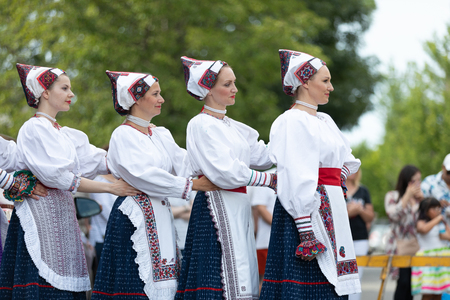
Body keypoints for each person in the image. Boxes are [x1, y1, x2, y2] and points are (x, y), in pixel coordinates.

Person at [0, 63, 139, 299]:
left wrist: (137, 137)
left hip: (62, 219)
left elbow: (102, 160)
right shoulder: (33, 129)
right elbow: (60, 177)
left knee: (65, 282)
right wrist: (110, 187)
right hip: (40, 217)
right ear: (45, 92)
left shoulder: (64, 134)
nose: (71, 94)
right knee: (42, 283)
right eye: (64, 88)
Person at [91, 70, 218, 300]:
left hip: (160, 211)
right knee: (135, 282)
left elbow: (185, 162)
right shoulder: (123, 135)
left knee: (166, 278)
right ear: (137, 99)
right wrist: (192, 185)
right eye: (156, 94)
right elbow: (144, 175)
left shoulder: (161, 134)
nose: (162, 99)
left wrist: (216, 161)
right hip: (135, 217)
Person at [260, 49, 361, 299]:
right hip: (305, 211)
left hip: (332, 203)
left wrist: (337, 180)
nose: (331, 87)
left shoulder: (325, 120)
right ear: (304, 82)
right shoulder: (291, 121)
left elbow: (349, 159)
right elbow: (295, 173)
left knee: (332, 281)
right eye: (325, 81)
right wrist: (305, 226)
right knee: (307, 283)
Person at [176, 56, 275, 300]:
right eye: (227, 84)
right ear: (208, 90)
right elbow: (226, 171)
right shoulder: (201, 124)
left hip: (237, 205)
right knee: (218, 276)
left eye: (234, 83)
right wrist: (268, 181)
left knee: (242, 273)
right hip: (215, 205)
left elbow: (263, 156)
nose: (235, 89)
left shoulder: (234, 127)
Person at [385, 164, 424, 300]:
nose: (418, 184)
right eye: (415, 180)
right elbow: (393, 215)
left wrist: (423, 200)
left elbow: (426, 219)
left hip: (416, 247)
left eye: (419, 180)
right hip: (398, 246)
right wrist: (407, 196)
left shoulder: (420, 199)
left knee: (413, 286)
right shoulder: (392, 196)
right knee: (403, 283)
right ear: (407, 181)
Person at [412, 197, 450, 299]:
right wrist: (437, 219)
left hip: (441, 259)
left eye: (439, 208)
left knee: (439, 292)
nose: (437, 211)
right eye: (434, 208)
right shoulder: (421, 222)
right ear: (426, 210)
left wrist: (444, 224)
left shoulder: (441, 223)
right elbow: (423, 229)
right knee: (428, 292)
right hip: (427, 259)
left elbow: (447, 236)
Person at [345, 169, 374, 300]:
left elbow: (370, 217)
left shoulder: (363, 191)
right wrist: (348, 212)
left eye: (356, 169)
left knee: (357, 275)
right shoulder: (338, 189)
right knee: (343, 275)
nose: (354, 172)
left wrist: (359, 210)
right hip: (342, 239)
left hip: (360, 239)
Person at [248, 167, 277, 291]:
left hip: (285, 240)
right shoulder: (267, 176)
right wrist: (280, 226)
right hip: (267, 241)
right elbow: (260, 207)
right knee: (265, 281)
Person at [88, 172, 117, 261]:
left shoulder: (122, 181)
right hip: (103, 237)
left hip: (118, 237)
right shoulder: (99, 181)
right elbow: (105, 209)